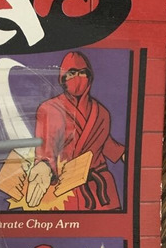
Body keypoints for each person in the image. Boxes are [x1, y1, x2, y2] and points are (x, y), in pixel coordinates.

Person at [27, 51, 125, 211]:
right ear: (63, 78)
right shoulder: (49, 109)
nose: (77, 77)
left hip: (100, 189)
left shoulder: (102, 112)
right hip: (64, 188)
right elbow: (46, 145)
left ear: (90, 76)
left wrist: (124, 154)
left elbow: (102, 141)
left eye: (82, 72)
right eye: (71, 73)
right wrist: (43, 166)